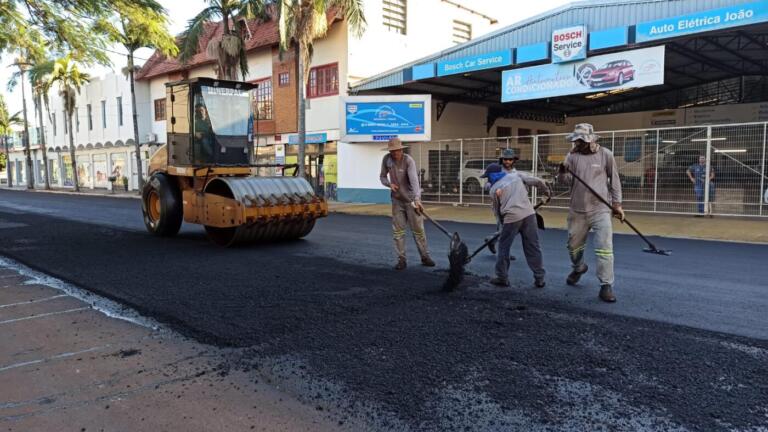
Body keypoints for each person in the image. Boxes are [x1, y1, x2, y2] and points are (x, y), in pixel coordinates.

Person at [557, 123, 624, 303]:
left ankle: (606, 285)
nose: (577, 143)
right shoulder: (572, 156)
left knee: (605, 248)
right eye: (576, 140)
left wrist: (617, 204)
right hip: (577, 210)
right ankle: (578, 267)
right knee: (573, 247)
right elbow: (565, 182)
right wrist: (562, 172)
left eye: (580, 140)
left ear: (590, 139)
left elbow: (615, 181)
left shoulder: (605, 155)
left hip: (600, 209)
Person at [485, 163, 549, 288]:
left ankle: (502, 277)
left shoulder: (493, 190)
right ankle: (539, 278)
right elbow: (538, 181)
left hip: (511, 218)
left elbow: (497, 211)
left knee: (504, 247)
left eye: (488, 177)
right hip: (529, 215)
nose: (487, 179)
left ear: (493, 175)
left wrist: (503, 225)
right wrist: (547, 192)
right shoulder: (516, 175)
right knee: (533, 247)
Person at [379, 137, 435, 270]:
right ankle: (401, 259)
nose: (394, 154)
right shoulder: (387, 160)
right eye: (392, 151)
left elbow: (414, 181)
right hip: (397, 201)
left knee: (418, 231)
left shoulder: (408, 161)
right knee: (398, 232)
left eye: (396, 151)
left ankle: (425, 256)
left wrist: (417, 199)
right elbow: (382, 176)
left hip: (411, 201)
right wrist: (389, 184)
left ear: (401, 150)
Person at [482, 148, 521, 255]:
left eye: (510, 160)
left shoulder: (514, 172)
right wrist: (492, 186)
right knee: (506, 229)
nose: (507, 162)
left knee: (514, 229)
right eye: (505, 159)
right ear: (502, 159)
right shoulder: (497, 170)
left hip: (513, 203)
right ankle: (504, 253)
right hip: (500, 204)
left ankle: (491, 239)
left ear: (513, 160)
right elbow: (487, 185)